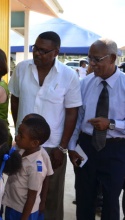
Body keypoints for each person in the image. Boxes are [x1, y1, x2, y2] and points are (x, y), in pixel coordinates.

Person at [9, 31, 82, 220]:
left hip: (52, 148)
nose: (37, 54)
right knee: (19, 193)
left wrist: (62, 147)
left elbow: (72, 113)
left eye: (43, 51)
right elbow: (15, 100)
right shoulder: (22, 69)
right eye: (36, 48)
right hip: (23, 146)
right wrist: (20, 132)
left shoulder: (68, 76)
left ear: (56, 52)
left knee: (50, 199)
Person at [68, 38, 125, 220]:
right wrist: (71, 147)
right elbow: (78, 118)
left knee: (110, 202)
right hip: (86, 147)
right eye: (90, 58)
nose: (92, 63)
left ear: (113, 58)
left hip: (115, 149)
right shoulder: (85, 83)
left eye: (97, 59)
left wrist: (111, 124)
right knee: (84, 200)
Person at [3, 115, 53, 220]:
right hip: (12, 204)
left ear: (34, 143)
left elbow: (32, 196)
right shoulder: (20, 150)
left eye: (21, 136)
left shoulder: (36, 167)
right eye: (18, 133)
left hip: (25, 212)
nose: (16, 137)